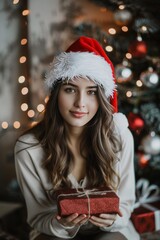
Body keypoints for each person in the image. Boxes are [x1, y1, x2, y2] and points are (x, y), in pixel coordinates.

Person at [14, 36, 140, 240]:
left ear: (101, 99)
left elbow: (125, 204)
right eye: (70, 90)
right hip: (53, 233)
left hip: (111, 232)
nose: (80, 103)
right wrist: (59, 223)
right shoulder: (29, 148)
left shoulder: (120, 136)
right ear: (56, 94)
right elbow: (38, 217)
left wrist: (113, 219)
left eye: (91, 92)